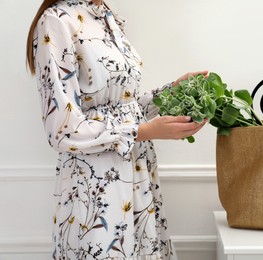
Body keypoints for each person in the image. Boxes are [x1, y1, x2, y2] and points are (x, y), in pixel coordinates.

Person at [26, 0, 208, 259]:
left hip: (137, 173)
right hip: (96, 182)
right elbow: (62, 129)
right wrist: (143, 132)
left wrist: (170, 93)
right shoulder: (56, 21)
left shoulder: (107, 16)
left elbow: (123, 107)